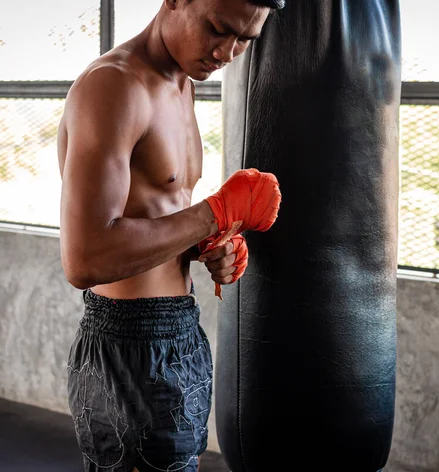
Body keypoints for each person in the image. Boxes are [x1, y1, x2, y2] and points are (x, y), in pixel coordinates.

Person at [56, 0, 284, 470]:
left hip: (180, 334)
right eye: (218, 29)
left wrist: (208, 245)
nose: (227, 52)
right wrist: (215, 211)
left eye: (245, 39)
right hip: (128, 345)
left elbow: (158, 209)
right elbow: (85, 258)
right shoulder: (114, 85)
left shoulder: (183, 83)